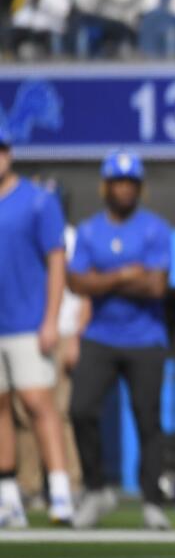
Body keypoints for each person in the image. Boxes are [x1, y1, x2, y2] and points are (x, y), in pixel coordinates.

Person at [67, 151, 172, 531]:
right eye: (118, 182)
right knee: (80, 409)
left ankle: (152, 501)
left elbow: (157, 285)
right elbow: (76, 282)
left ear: (139, 188)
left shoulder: (155, 228)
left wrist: (103, 278)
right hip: (100, 335)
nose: (124, 189)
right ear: (105, 186)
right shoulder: (90, 229)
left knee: (148, 419)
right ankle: (96, 489)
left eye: (130, 183)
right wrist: (127, 274)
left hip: (146, 337)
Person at [0, 126, 73, 527]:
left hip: (28, 323)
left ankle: (60, 492)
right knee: (0, 410)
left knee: (39, 406)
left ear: (9, 153)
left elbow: (57, 261)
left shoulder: (38, 201)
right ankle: (8, 496)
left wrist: (50, 319)